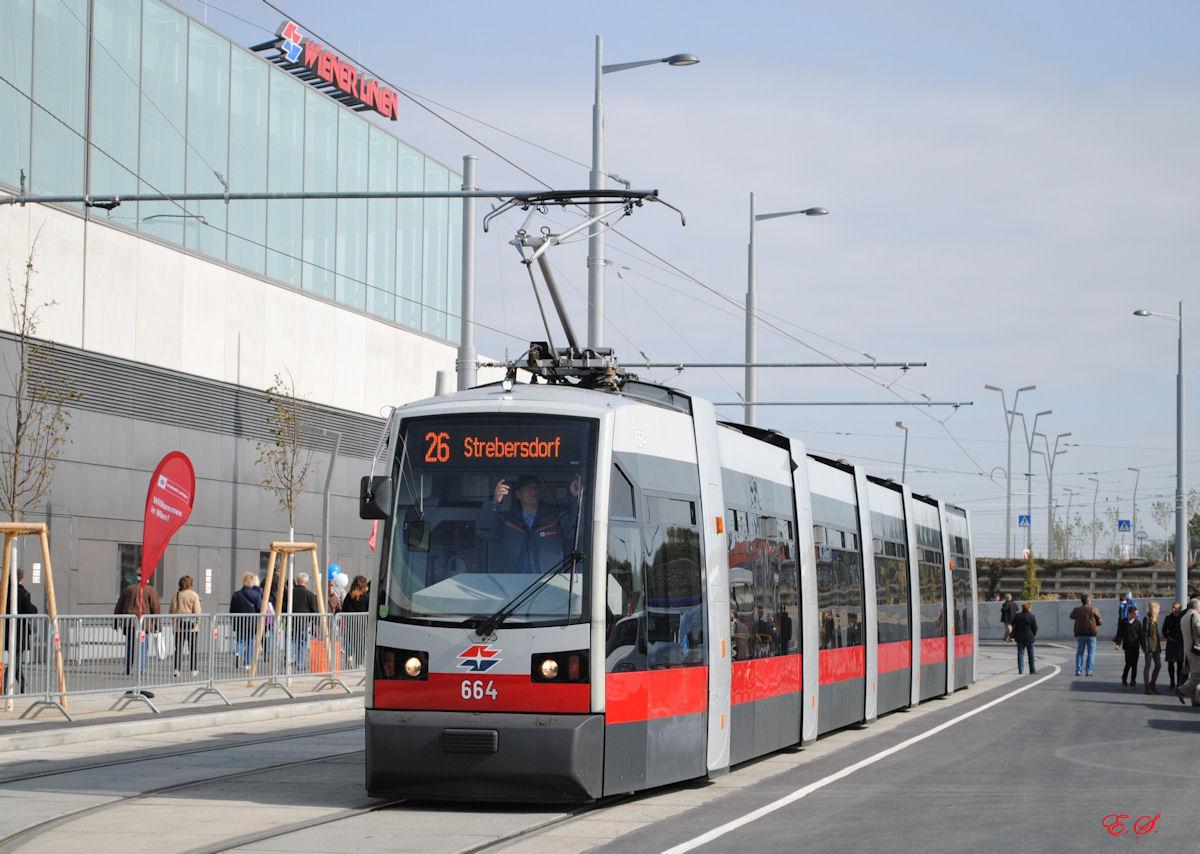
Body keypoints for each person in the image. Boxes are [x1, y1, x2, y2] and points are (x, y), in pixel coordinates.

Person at [476, 474, 580, 574]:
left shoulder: (556, 518)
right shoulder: (507, 520)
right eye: (527, 488)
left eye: (536, 488)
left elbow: (575, 531)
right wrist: (494, 502)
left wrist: (576, 498)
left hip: (549, 584)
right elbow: (485, 532)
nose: (533, 491)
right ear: (518, 494)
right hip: (514, 586)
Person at [114, 581, 161, 675]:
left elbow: (119, 607)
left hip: (130, 623)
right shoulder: (150, 590)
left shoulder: (128, 590)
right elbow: (155, 609)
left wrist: (116, 622)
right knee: (143, 647)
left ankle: (128, 668)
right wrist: (157, 626)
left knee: (130, 646)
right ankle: (140, 669)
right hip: (144, 624)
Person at [3, 569, 38, 692]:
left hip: (5, 631)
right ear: (21, 579)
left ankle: (22, 686)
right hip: (18, 633)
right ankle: (3, 686)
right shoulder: (22, 593)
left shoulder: (3, 591)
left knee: (14, 660)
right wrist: (35, 608)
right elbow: (30, 611)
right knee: (15, 660)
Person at [168, 575, 203, 677]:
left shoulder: (176, 595)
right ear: (190, 584)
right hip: (192, 628)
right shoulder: (194, 595)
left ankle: (176, 670)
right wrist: (196, 624)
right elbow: (197, 612)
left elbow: (171, 611)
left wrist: (175, 622)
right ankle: (193, 670)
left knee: (178, 648)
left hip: (178, 627)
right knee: (193, 648)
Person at [229, 572, 262, 669]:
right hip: (252, 622)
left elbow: (232, 609)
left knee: (240, 639)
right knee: (250, 641)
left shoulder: (236, 594)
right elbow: (260, 608)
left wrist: (234, 621)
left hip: (239, 621)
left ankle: (238, 652)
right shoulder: (256, 594)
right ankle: (247, 664)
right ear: (252, 582)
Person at [290, 572, 319, 670]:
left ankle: (291, 660)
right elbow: (314, 609)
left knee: (293, 641)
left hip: (291, 620)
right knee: (302, 643)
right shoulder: (310, 594)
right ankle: (300, 664)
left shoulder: (290, 592)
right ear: (306, 582)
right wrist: (316, 622)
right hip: (304, 622)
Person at [1069, 593, 1102, 676]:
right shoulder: (1093, 609)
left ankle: (1078, 670)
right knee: (1091, 653)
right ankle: (1089, 671)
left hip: (1080, 633)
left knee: (1080, 652)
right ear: (1088, 600)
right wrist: (1096, 623)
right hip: (1091, 633)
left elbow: (1071, 616)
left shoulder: (1077, 609)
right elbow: (1100, 620)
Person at [1175, 598, 1200, 706]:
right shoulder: (1196, 616)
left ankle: (1195, 699)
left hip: (1188, 650)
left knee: (1194, 674)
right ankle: (1182, 690)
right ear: (1197, 607)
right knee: (1198, 674)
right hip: (1197, 650)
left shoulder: (1183, 617)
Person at [1114, 604, 1144, 688]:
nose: (1136, 615)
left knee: (1135, 664)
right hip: (1127, 647)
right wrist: (1118, 644)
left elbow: (1141, 635)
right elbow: (1120, 634)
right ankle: (1124, 678)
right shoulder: (1124, 622)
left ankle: (1133, 680)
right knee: (1128, 663)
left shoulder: (1138, 623)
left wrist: (1144, 646)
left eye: (1136, 613)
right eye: (1135, 613)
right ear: (1130, 613)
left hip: (1135, 647)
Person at [1141, 601, 1162, 695]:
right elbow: (1144, 634)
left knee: (1158, 665)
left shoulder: (1155, 619)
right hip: (1149, 646)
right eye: (1158, 608)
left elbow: (1156, 634)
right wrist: (1145, 646)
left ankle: (1152, 684)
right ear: (1154, 609)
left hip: (1156, 646)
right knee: (1148, 667)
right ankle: (1147, 688)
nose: (1159, 610)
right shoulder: (1147, 619)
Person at [1162, 601, 1185, 689]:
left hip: (1180, 643)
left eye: (1175, 608)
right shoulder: (1168, 618)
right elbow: (1164, 629)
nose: (1173, 609)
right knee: (1170, 664)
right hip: (1171, 642)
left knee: (1180, 664)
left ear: (1179, 609)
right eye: (1173, 607)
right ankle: (1172, 682)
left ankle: (1179, 682)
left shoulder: (1183, 618)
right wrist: (1167, 637)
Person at [1011, 602, 1037, 674]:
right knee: (1031, 654)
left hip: (1019, 637)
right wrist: (1032, 634)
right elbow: (1035, 628)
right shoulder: (1032, 616)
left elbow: (1012, 623)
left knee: (1020, 654)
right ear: (1029, 608)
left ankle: (1020, 670)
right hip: (1029, 637)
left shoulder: (1017, 616)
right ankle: (1032, 670)